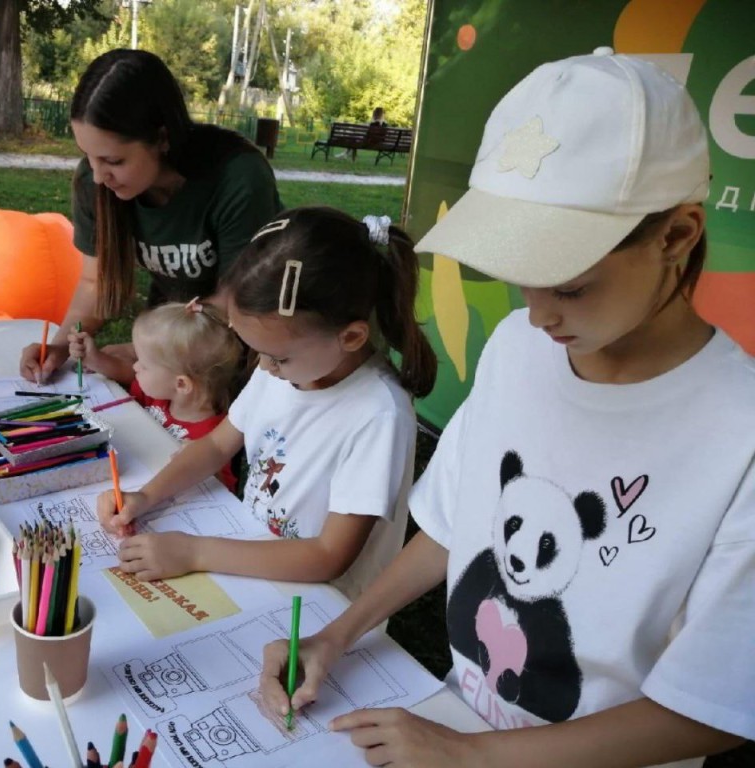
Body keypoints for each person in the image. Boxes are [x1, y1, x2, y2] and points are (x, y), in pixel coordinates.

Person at [259, 49, 754, 767]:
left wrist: (471, 755)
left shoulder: (738, 433)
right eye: (521, 278)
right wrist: (339, 633)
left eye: (571, 285)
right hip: (459, 716)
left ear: (676, 235)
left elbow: (715, 708)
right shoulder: (518, 349)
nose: (539, 312)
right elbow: (456, 523)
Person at [96, 207, 437, 600]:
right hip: (249, 571)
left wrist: (194, 551)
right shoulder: (283, 362)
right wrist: (146, 497)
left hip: (319, 611)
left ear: (352, 337)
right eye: (258, 352)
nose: (265, 368)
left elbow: (329, 556)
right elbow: (216, 445)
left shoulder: (380, 415)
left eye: (278, 357)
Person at [19, 48, 283, 384]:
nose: (99, 176)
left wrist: (149, 351)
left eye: (114, 161)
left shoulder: (238, 178)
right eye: (89, 156)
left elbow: (235, 303)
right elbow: (94, 282)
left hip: (251, 350)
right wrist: (57, 348)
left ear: (161, 137)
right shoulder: (94, 181)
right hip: (172, 345)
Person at [70, 298, 243, 490]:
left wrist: (207, 467)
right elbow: (126, 373)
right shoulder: (158, 395)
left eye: (143, 365)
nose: (135, 366)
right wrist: (95, 359)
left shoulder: (214, 436)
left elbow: (225, 490)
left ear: (181, 384)